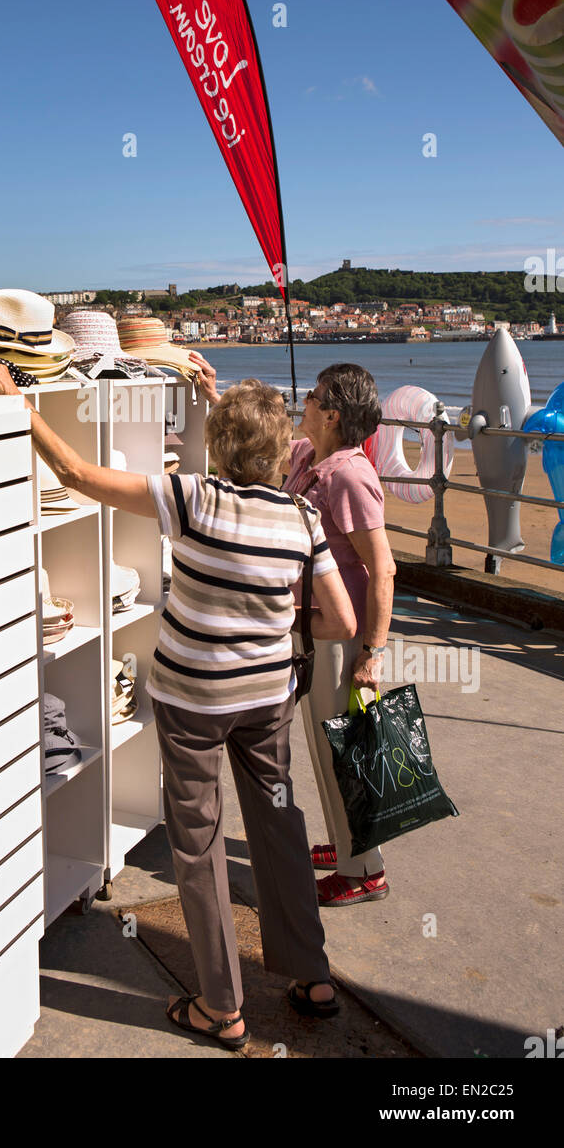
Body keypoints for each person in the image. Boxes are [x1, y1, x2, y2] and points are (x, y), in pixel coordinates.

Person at [0, 357, 357, 1049]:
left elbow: (79, 478)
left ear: (219, 447)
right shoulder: (302, 518)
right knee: (279, 824)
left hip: (192, 701)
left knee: (199, 844)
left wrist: (20, 406)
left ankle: (221, 1006)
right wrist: (281, 628)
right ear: (277, 453)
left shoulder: (193, 498)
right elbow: (341, 622)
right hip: (266, 700)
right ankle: (312, 975)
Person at [282, 364, 396, 906]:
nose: (302, 401)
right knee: (329, 748)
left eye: (312, 396)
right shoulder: (310, 456)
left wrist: (370, 655)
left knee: (345, 751)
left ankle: (365, 872)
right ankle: (346, 842)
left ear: (331, 414)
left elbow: (383, 569)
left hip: (341, 638)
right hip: (314, 628)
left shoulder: (348, 475)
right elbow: (260, 445)